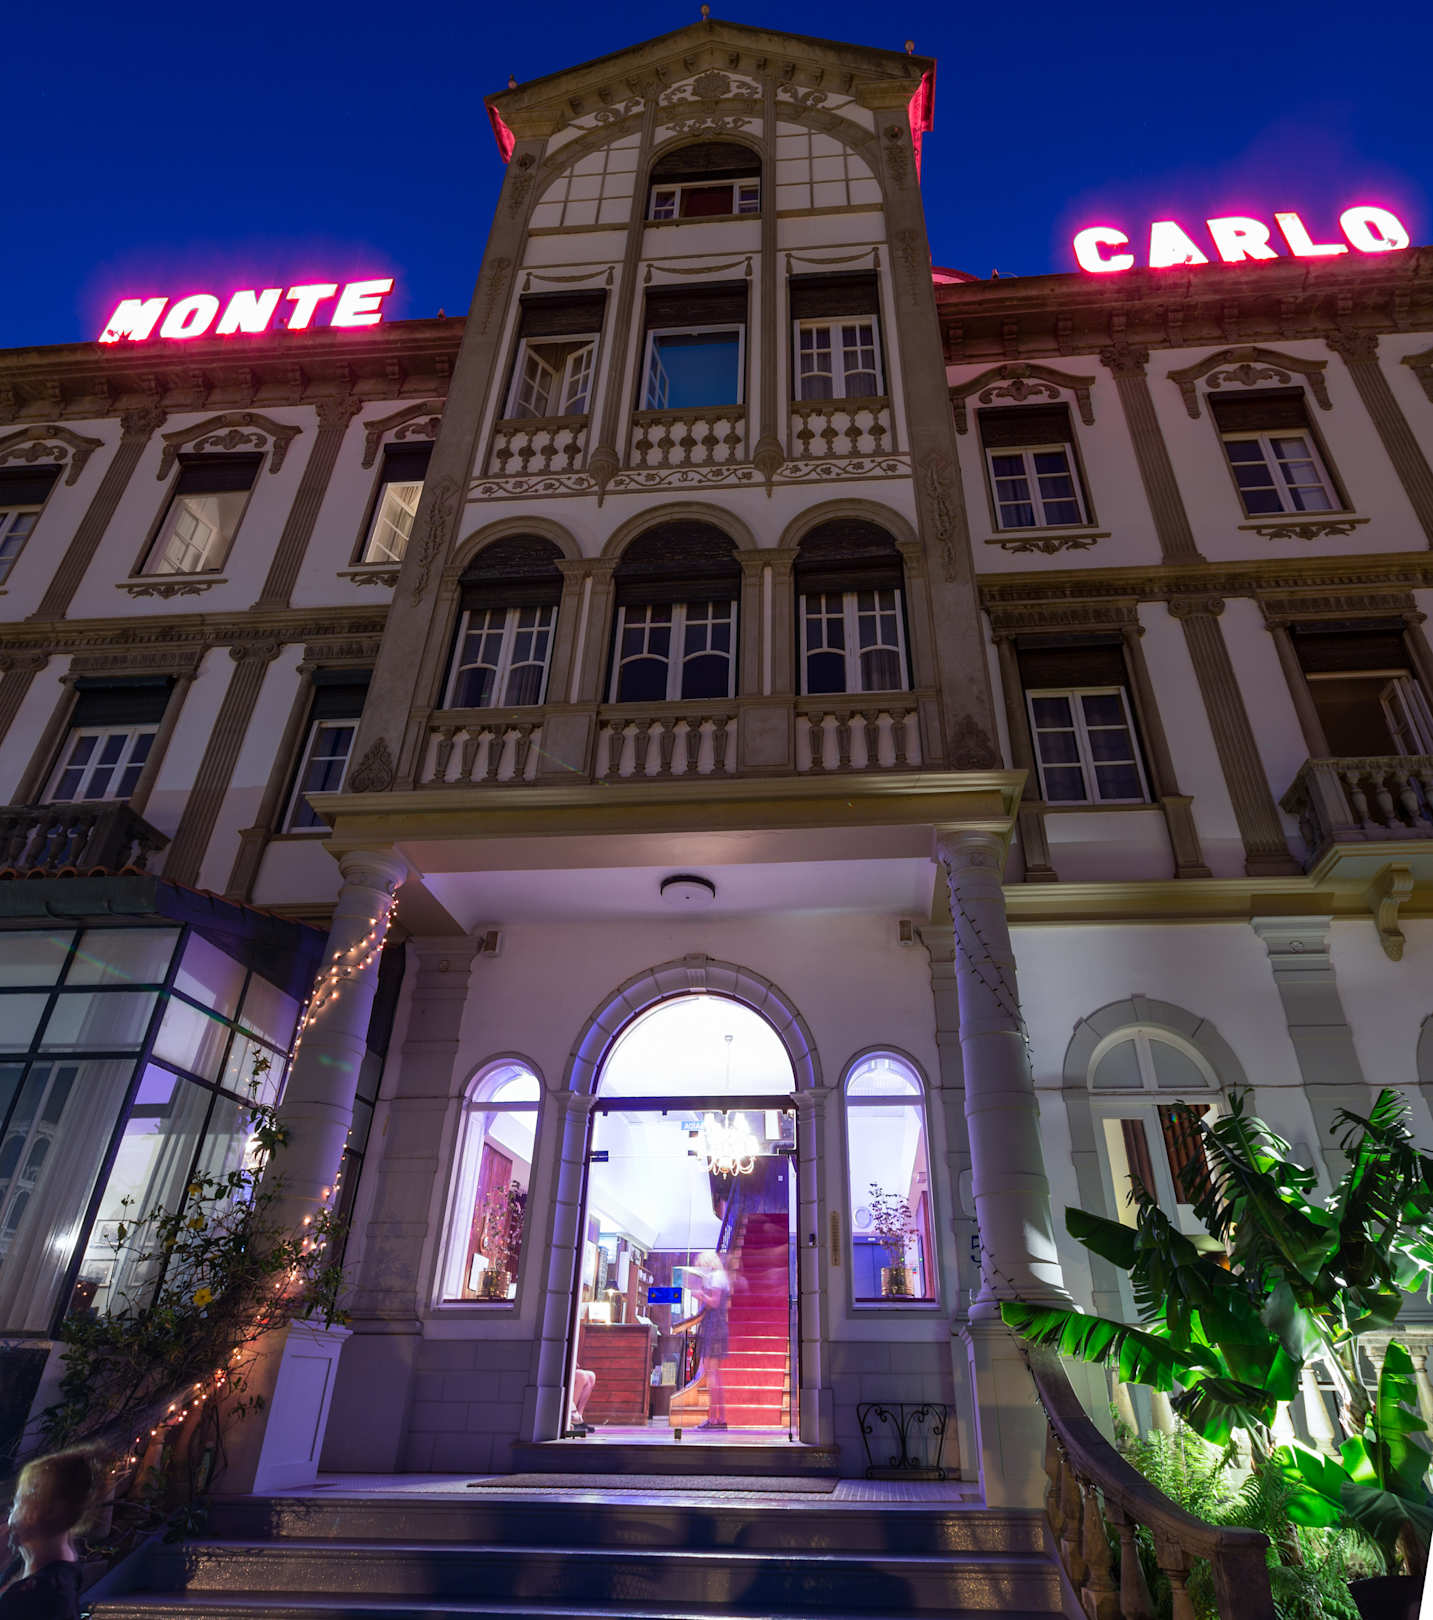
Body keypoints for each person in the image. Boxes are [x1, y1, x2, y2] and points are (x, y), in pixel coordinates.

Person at [1, 1448, 104, 1620]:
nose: (9, 1517)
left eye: (18, 1503)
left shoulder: (36, 1594)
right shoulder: (57, 1569)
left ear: (51, 1512)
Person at [689, 1249, 730, 1432]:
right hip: (716, 1325)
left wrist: (700, 1295)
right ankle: (719, 1417)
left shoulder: (715, 1277)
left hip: (714, 1326)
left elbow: (714, 1302)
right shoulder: (720, 1276)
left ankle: (714, 1419)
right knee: (715, 1374)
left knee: (712, 1373)